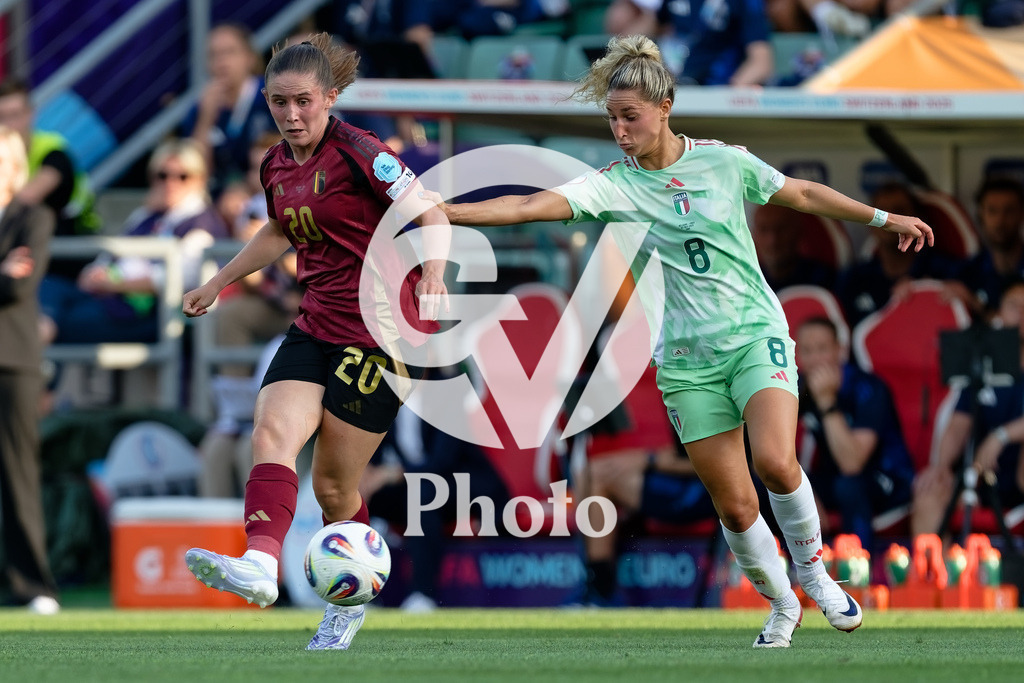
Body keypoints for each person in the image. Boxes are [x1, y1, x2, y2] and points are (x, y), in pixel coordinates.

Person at [423, 35, 933, 647]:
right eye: (611, 118)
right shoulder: (616, 184)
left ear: (664, 107)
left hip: (753, 335)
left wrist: (883, 219)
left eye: (629, 116)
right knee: (737, 508)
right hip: (687, 362)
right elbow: (533, 204)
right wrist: (446, 211)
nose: (618, 129)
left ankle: (815, 574)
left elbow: (799, 193)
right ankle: (780, 605)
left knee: (774, 460)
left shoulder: (723, 161)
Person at [181, 33, 448, 651]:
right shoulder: (275, 164)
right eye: (278, 103)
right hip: (317, 323)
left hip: (383, 337)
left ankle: (345, 603)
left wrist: (432, 271)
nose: (292, 115)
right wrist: (219, 281)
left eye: (303, 101)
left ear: (330, 97)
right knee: (270, 433)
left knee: (333, 488)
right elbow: (280, 230)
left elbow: (429, 212)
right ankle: (260, 565)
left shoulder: (361, 151)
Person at [39, 138, 229, 344]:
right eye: (162, 175)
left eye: (182, 176)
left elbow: (174, 279)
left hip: (153, 314)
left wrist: (112, 285)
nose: (170, 183)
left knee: (60, 323)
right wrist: (93, 275)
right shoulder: (146, 214)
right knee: (49, 289)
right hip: (111, 301)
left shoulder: (202, 223)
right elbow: (109, 255)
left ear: (199, 179)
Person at [575, 366, 716, 606]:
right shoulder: (679, 390)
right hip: (682, 483)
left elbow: (720, 461)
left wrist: (648, 460)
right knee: (591, 472)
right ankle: (596, 587)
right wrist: (647, 459)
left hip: (708, 493)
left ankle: (598, 592)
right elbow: (682, 452)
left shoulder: (709, 389)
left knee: (598, 475)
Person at [360, 400, 510, 611]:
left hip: (467, 486)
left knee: (423, 495)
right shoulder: (386, 405)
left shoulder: (446, 400)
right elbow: (375, 456)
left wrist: (394, 473)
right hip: (416, 486)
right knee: (360, 498)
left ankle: (422, 594)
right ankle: (361, 592)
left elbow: (442, 462)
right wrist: (364, 478)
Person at [910, 280, 1024, 538]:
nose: (1021, 314)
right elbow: (960, 422)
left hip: (1020, 479)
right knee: (931, 492)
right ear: (999, 314)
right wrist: (942, 466)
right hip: (982, 473)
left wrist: (1001, 436)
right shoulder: (982, 362)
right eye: (1014, 306)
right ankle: (940, 576)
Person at [0, 124, 60, 614]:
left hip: (13, 362)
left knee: (18, 476)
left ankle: (33, 585)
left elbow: (18, 288)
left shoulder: (32, 217)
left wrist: (7, 278)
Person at [795, 317, 915, 551]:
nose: (815, 359)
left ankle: (858, 572)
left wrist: (827, 402)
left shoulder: (869, 388)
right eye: (807, 351)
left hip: (887, 478)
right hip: (837, 477)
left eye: (822, 349)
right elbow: (763, 450)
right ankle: (785, 574)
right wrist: (801, 494)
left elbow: (852, 463)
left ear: (840, 350)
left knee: (848, 485)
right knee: (771, 486)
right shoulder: (799, 388)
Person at [0, 78, 99, 280]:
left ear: (30, 114)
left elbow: (23, 200)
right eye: (1, 116)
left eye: (14, 115)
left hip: (63, 260)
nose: (8, 124)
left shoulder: (53, 152)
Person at [835, 181, 958, 327]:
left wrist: (927, 291)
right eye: (880, 214)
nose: (889, 221)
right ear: (868, 224)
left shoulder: (945, 273)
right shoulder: (853, 280)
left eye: (899, 212)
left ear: (918, 220)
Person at [182, 23, 278, 198]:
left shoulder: (272, 96)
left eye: (230, 52)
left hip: (268, 190)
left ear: (250, 58)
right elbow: (196, 171)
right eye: (213, 55)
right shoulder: (199, 108)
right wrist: (206, 119)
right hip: (217, 197)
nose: (221, 61)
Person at [948, 177, 1024, 320]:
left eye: (1009, 211)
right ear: (981, 215)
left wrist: (980, 308)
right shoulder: (967, 274)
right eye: (992, 211)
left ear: (1021, 214)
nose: (1000, 221)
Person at [751, 202, 836, 293]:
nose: (773, 241)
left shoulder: (825, 281)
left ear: (797, 231)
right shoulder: (748, 283)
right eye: (763, 229)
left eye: (781, 229)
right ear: (753, 235)